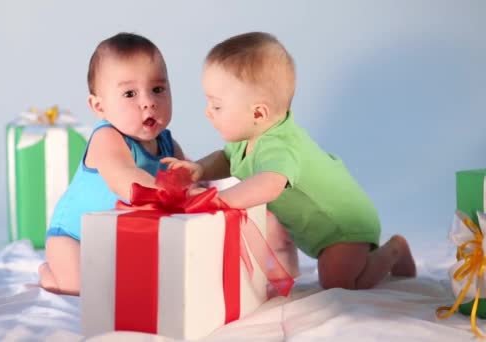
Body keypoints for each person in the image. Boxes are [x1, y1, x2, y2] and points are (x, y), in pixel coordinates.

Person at [162, 32, 416, 290]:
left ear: (258, 113)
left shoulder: (278, 146)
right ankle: (298, 261)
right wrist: (200, 169)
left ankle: (393, 250)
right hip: (316, 226)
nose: (207, 112)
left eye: (216, 106)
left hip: (343, 225)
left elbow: (269, 184)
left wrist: (220, 201)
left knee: (340, 283)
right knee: (288, 237)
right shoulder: (249, 135)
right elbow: (226, 158)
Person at [38, 32, 186, 295]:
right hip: (75, 238)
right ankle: (47, 272)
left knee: (129, 285)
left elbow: (188, 176)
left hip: (116, 239)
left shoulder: (167, 144)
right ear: (99, 106)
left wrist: (202, 185)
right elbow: (124, 180)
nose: (148, 102)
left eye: (158, 89)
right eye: (130, 93)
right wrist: (173, 193)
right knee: (77, 288)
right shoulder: (107, 138)